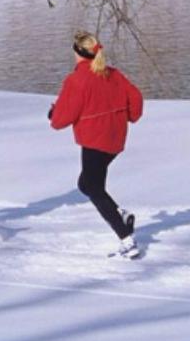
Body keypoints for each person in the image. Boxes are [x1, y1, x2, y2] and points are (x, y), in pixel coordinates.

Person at [50, 30, 143, 258]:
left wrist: (53, 114)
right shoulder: (113, 74)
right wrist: (129, 116)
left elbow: (62, 119)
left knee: (93, 187)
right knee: (86, 184)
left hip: (94, 140)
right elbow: (136, 98)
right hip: (115, 138)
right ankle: (119, 213)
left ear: (78, 53)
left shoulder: (77, 80)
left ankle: (126, 238)